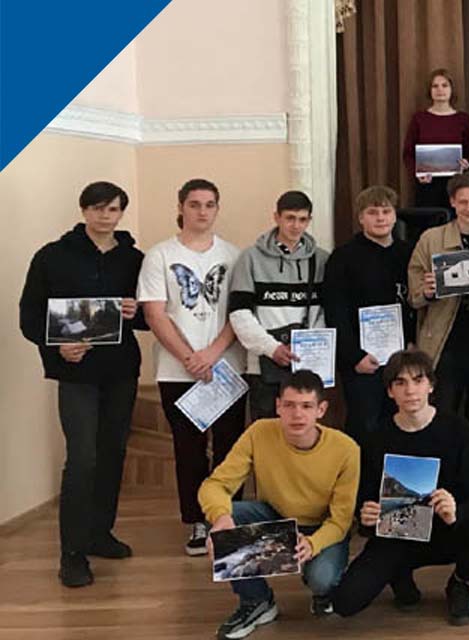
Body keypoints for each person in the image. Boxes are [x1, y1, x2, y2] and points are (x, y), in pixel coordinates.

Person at [19, 181, 146, 587]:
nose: (105, 216)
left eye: (112, 209)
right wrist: (58, 347)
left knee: (112, 453)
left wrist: (137, 312)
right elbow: (29, 315)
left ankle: (99, 533)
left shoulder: (135, 259)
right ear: (84, 210)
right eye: (97, 208)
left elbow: (150, 316)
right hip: (76, 374)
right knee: (82, 458)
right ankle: (71, 554)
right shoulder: (52, 256)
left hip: (121, 371)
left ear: (121, 213)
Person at [331, 350, 469, 625]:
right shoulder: (377, 437)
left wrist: (456, 511)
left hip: (446, 530)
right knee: (345, 602)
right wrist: (366, 515)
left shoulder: (457, 429)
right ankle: (400, 574)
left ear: (431, 385)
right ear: (390, 391)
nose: (410, 391)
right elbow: (365, 496)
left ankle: (459, 583)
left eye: (418, 381)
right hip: (397, 535)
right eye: (400, 383)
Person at [199, 370, 359, 639]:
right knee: (220, 519)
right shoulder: (259, 432)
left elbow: (341, 520)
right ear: (278, 407)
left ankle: (322, 589)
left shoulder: (346, 449)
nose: (297, 414)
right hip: (278, 516)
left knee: (322, 579)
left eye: (306, 406)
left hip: (322, 527)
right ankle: (257, 601)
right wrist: (221, 518)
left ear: (321, 410)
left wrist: (313, 544)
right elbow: (214, 485)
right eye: (289, 405)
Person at [138, 178, 247, 557]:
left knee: (231, 449)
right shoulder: (159, 255)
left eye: (209, 204)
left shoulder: (234, 255)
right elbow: (155, 313)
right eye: (195, 204)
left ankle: (228, 518)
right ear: (181, 207)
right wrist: (190, 357)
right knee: (189, 450)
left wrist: (212, 353)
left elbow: (239, 312)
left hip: (227, 369)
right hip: (176, 371)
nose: (202, 211)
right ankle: (198, 521)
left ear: (217, 209)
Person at [407, 170, 469, 519]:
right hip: (442, 347)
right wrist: (428, 290)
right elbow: (414, 294)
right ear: (452, 202)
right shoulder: (431, 239)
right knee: (438, 425)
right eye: (463, 201)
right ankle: (430, 504)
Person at [322, 185, 416, 447]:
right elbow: (335, 312)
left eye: (386, 211)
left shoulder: (408, 254)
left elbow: (416, 305)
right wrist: (354, 356)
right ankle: (362, 476)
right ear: (361, 218)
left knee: (402, 425)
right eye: (373, 212)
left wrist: (412, 345)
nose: (381, 218)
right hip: (363, 362)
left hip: (401, 357)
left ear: (395, 216)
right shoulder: (343, 257)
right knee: (365, 426)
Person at [228, 190, 328, 421]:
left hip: (306, 364)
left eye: (302, 219)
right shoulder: (250, 258)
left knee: (303, 428)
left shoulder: (322, 259)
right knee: (266, 430)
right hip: (263, 366)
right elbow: (239, 313)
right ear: (277, 217)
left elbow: (325, 311)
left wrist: (310, 347)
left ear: (309, 221)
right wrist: (271, 348)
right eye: (290, 218)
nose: (296, 225)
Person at [402, 68, 469, 209]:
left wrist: (467, 163)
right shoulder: (419, 119)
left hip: (456, 184)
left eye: (444, 85)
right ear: (429, 91)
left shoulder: (463, 119)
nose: (440, 89)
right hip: (427, 184)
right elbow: (408, 153)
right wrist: (417, 173)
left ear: (452, 89)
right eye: (435, 86)